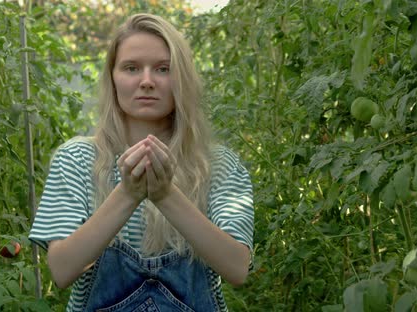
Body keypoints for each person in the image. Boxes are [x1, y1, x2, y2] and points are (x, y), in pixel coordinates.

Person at [29, 13, 253, 312]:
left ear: (182, 79)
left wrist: (164, 194)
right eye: (131, 68)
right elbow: (62, 269)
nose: (146, 81)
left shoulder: (218, 164)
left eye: (163, 69)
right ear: (112, 77)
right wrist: (128, 193)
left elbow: (237, 268)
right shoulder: (77, 159)